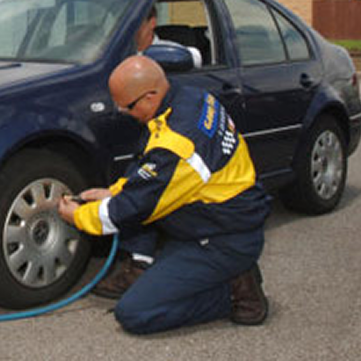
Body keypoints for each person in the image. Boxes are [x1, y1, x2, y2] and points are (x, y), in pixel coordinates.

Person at [58, 56, 271, 334]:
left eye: (128, 107)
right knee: (158, 277)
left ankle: (234, 292)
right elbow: (150, 172)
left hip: (223, 238)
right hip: (207, 222)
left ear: (150, 95)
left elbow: (134, 206)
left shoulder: (180, 143)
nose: (124, 112)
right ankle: (217, 273)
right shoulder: (191, 98)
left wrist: (78, 216)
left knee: (135, 312)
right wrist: (112, 191)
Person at [134, 6, 203, 67]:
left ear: (152, 22)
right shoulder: (124, 51)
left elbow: (195, 56)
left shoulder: (169, 49)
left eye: (137, 23)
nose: (132, 29)